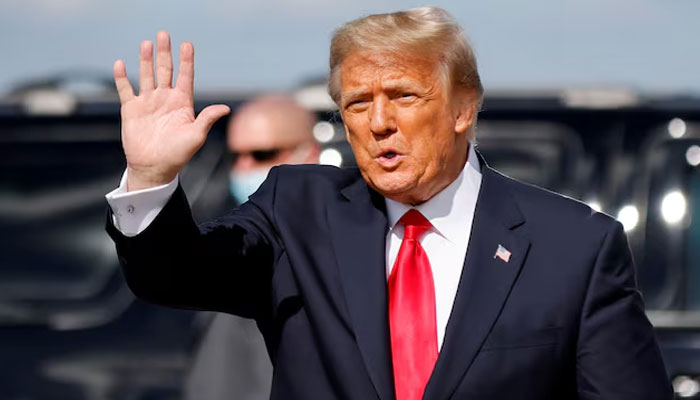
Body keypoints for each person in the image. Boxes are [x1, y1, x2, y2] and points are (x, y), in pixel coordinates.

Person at [105, 6, 672, 400]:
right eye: (356, 103)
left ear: (463, 108)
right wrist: (152, 177)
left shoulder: (573, 246)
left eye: (403, 96)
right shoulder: (298, 212)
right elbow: (176, 276)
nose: (378, 123)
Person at [184, 95, 318, 400]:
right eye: (236, 157)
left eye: (262, 154)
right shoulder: (230, 237)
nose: (244, 167)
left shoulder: (326, 246)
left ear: (309, 153)